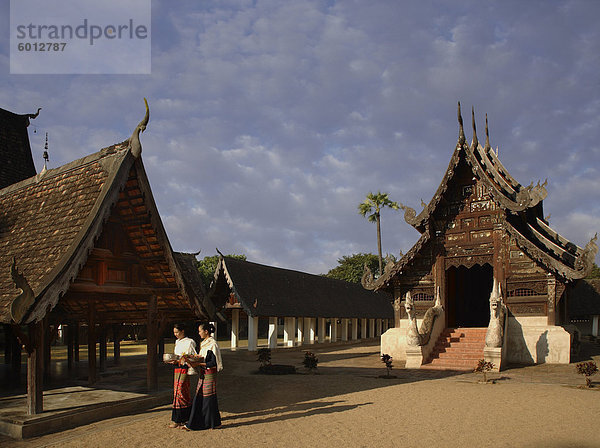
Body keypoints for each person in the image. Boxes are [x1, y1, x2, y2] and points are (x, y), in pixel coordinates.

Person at [182, 322, 223, 431]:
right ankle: (211, 422)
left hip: (210, 374)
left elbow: (213, 363)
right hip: (203, 373)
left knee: (208, 399)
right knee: (202, 398)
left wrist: (198, 364)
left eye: (200, 331)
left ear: (206, 331)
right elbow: (203, 358)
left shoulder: (212, 344)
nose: (199, 333)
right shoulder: (204, 343)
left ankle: (208, 423)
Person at [168, 323, 197, 428]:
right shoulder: (177, 342)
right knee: (176, 392)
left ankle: (184, 418)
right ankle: (178, 419)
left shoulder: (189, 342)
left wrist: (183, 358)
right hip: (177, 368)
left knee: (182, 391)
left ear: (182, 331)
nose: (175, 334)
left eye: (177, 332)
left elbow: (193, 356)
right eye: (174, 332)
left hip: (184, 368)